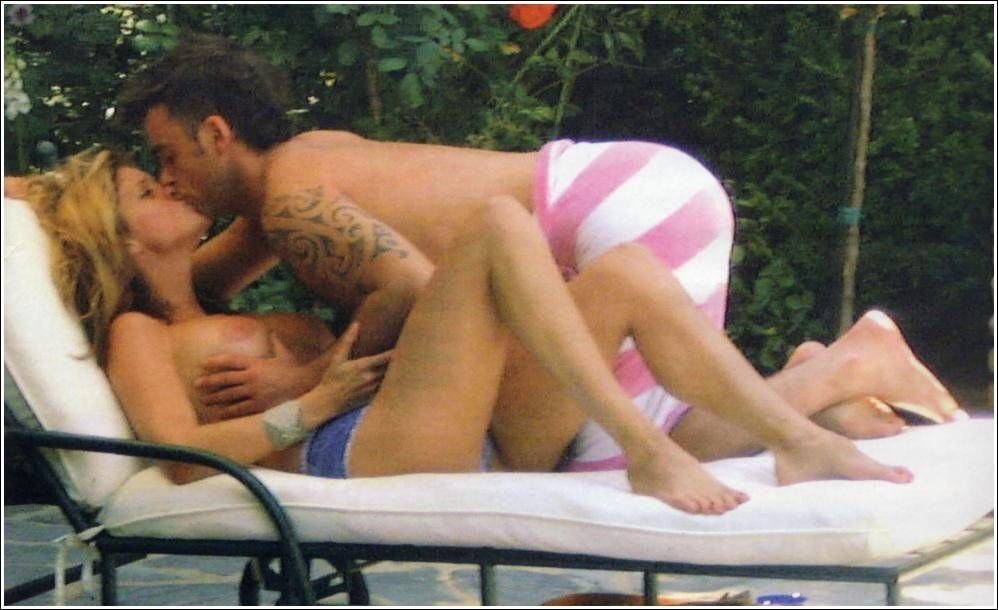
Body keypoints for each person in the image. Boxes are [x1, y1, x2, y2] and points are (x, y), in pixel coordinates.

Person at [115, 33, 964, 471]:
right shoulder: (301, 175)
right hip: (633, 188)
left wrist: (306, 383)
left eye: (168, 157)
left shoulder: (292, 201)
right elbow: (180, 283)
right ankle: (826, 382)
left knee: (598, 458)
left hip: (604, 213)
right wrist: (70, 231)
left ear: (217, 133)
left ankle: (839, 372)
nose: (170, 180)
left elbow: (412, 287)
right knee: (644, 426)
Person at [19, 149, 919, 516]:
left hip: (443, 427)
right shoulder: (137, 333)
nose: (172, 184)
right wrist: (308, 407)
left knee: (624, 274)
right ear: (118, 238)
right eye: (148, 191)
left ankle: (798, 435)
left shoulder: (224, 298)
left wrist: (327, 370)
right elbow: (179, 459)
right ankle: (651, 449)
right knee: (495, 224)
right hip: (358, 451)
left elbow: (380, 351)